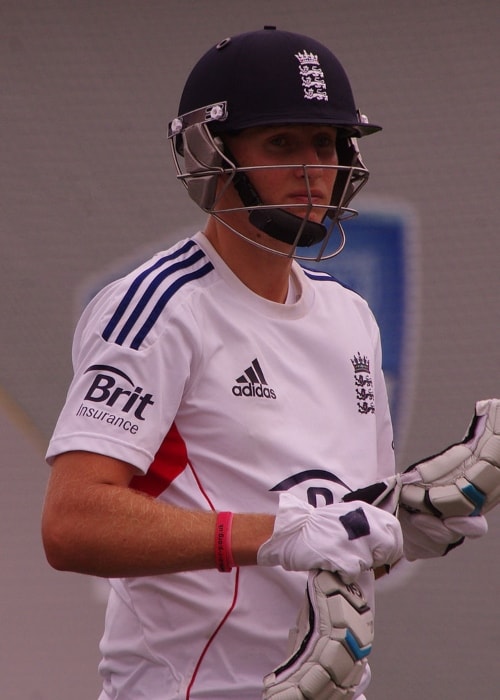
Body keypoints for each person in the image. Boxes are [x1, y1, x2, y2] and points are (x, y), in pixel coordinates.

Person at [41, 27, 484, 700]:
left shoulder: (350, 317)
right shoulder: (160, 306)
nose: (313, 166)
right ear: (209, 152)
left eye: (326, 142)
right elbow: (73, 526)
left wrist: (401, 526)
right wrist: (276, 535)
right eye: (282, 143)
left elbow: (320, 541)